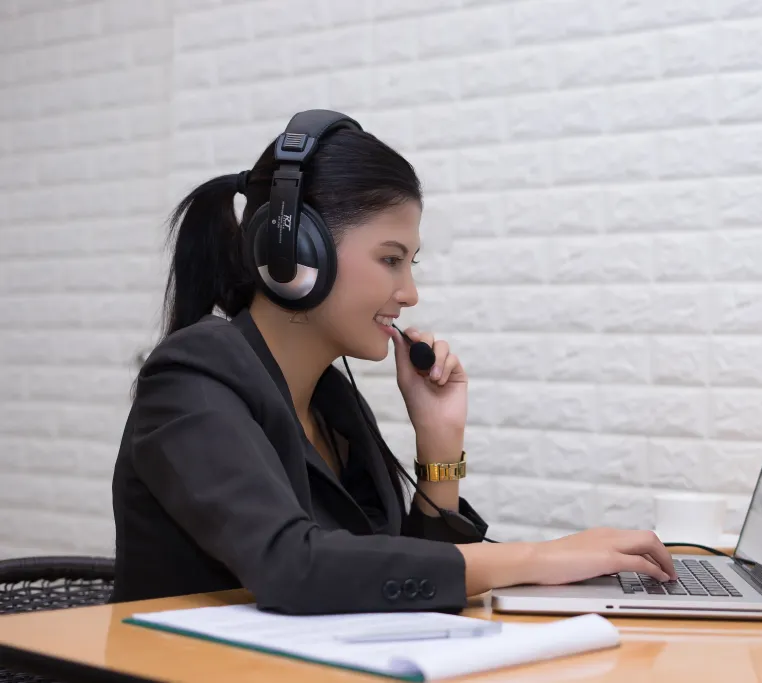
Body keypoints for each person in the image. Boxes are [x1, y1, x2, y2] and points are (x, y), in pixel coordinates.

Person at [109, 109, 677, 615]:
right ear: (294, 256)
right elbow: (293, 567)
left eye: (411, 262)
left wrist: (438, 444)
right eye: (390, 259)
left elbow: (404, 584)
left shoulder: (332, 402)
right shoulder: (189, 383)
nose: (409, 292)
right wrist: (538, 558)